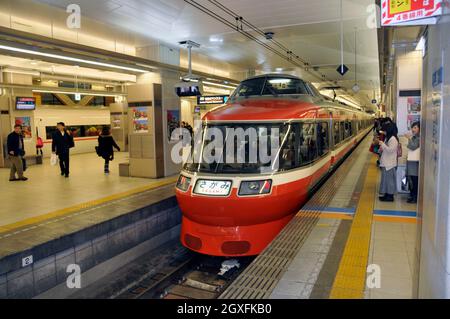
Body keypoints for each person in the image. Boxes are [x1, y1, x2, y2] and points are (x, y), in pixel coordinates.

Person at [374, 122, 399, 202]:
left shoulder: (393, 139)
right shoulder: (388, 138)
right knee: (386, 180)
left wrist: (382, 144)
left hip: (390, 164)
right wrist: (381, 147)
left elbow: (391, 150)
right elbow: (386, 149)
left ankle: (390, 196)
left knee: (390, 181)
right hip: (386, 162)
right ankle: (386, 194)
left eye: (384, 130)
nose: (383, 132)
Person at [405, 122, 420, 203]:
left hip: (415, 163)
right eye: (412, 128)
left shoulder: (419, 138)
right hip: (411, 161)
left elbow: (413, 146)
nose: (413, 130)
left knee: (414, 180)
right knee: (411, 180)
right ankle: (412, 195)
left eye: (415, 128)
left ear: (420, 129)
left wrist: (409, 138)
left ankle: (415, 197)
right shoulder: (414, 137)